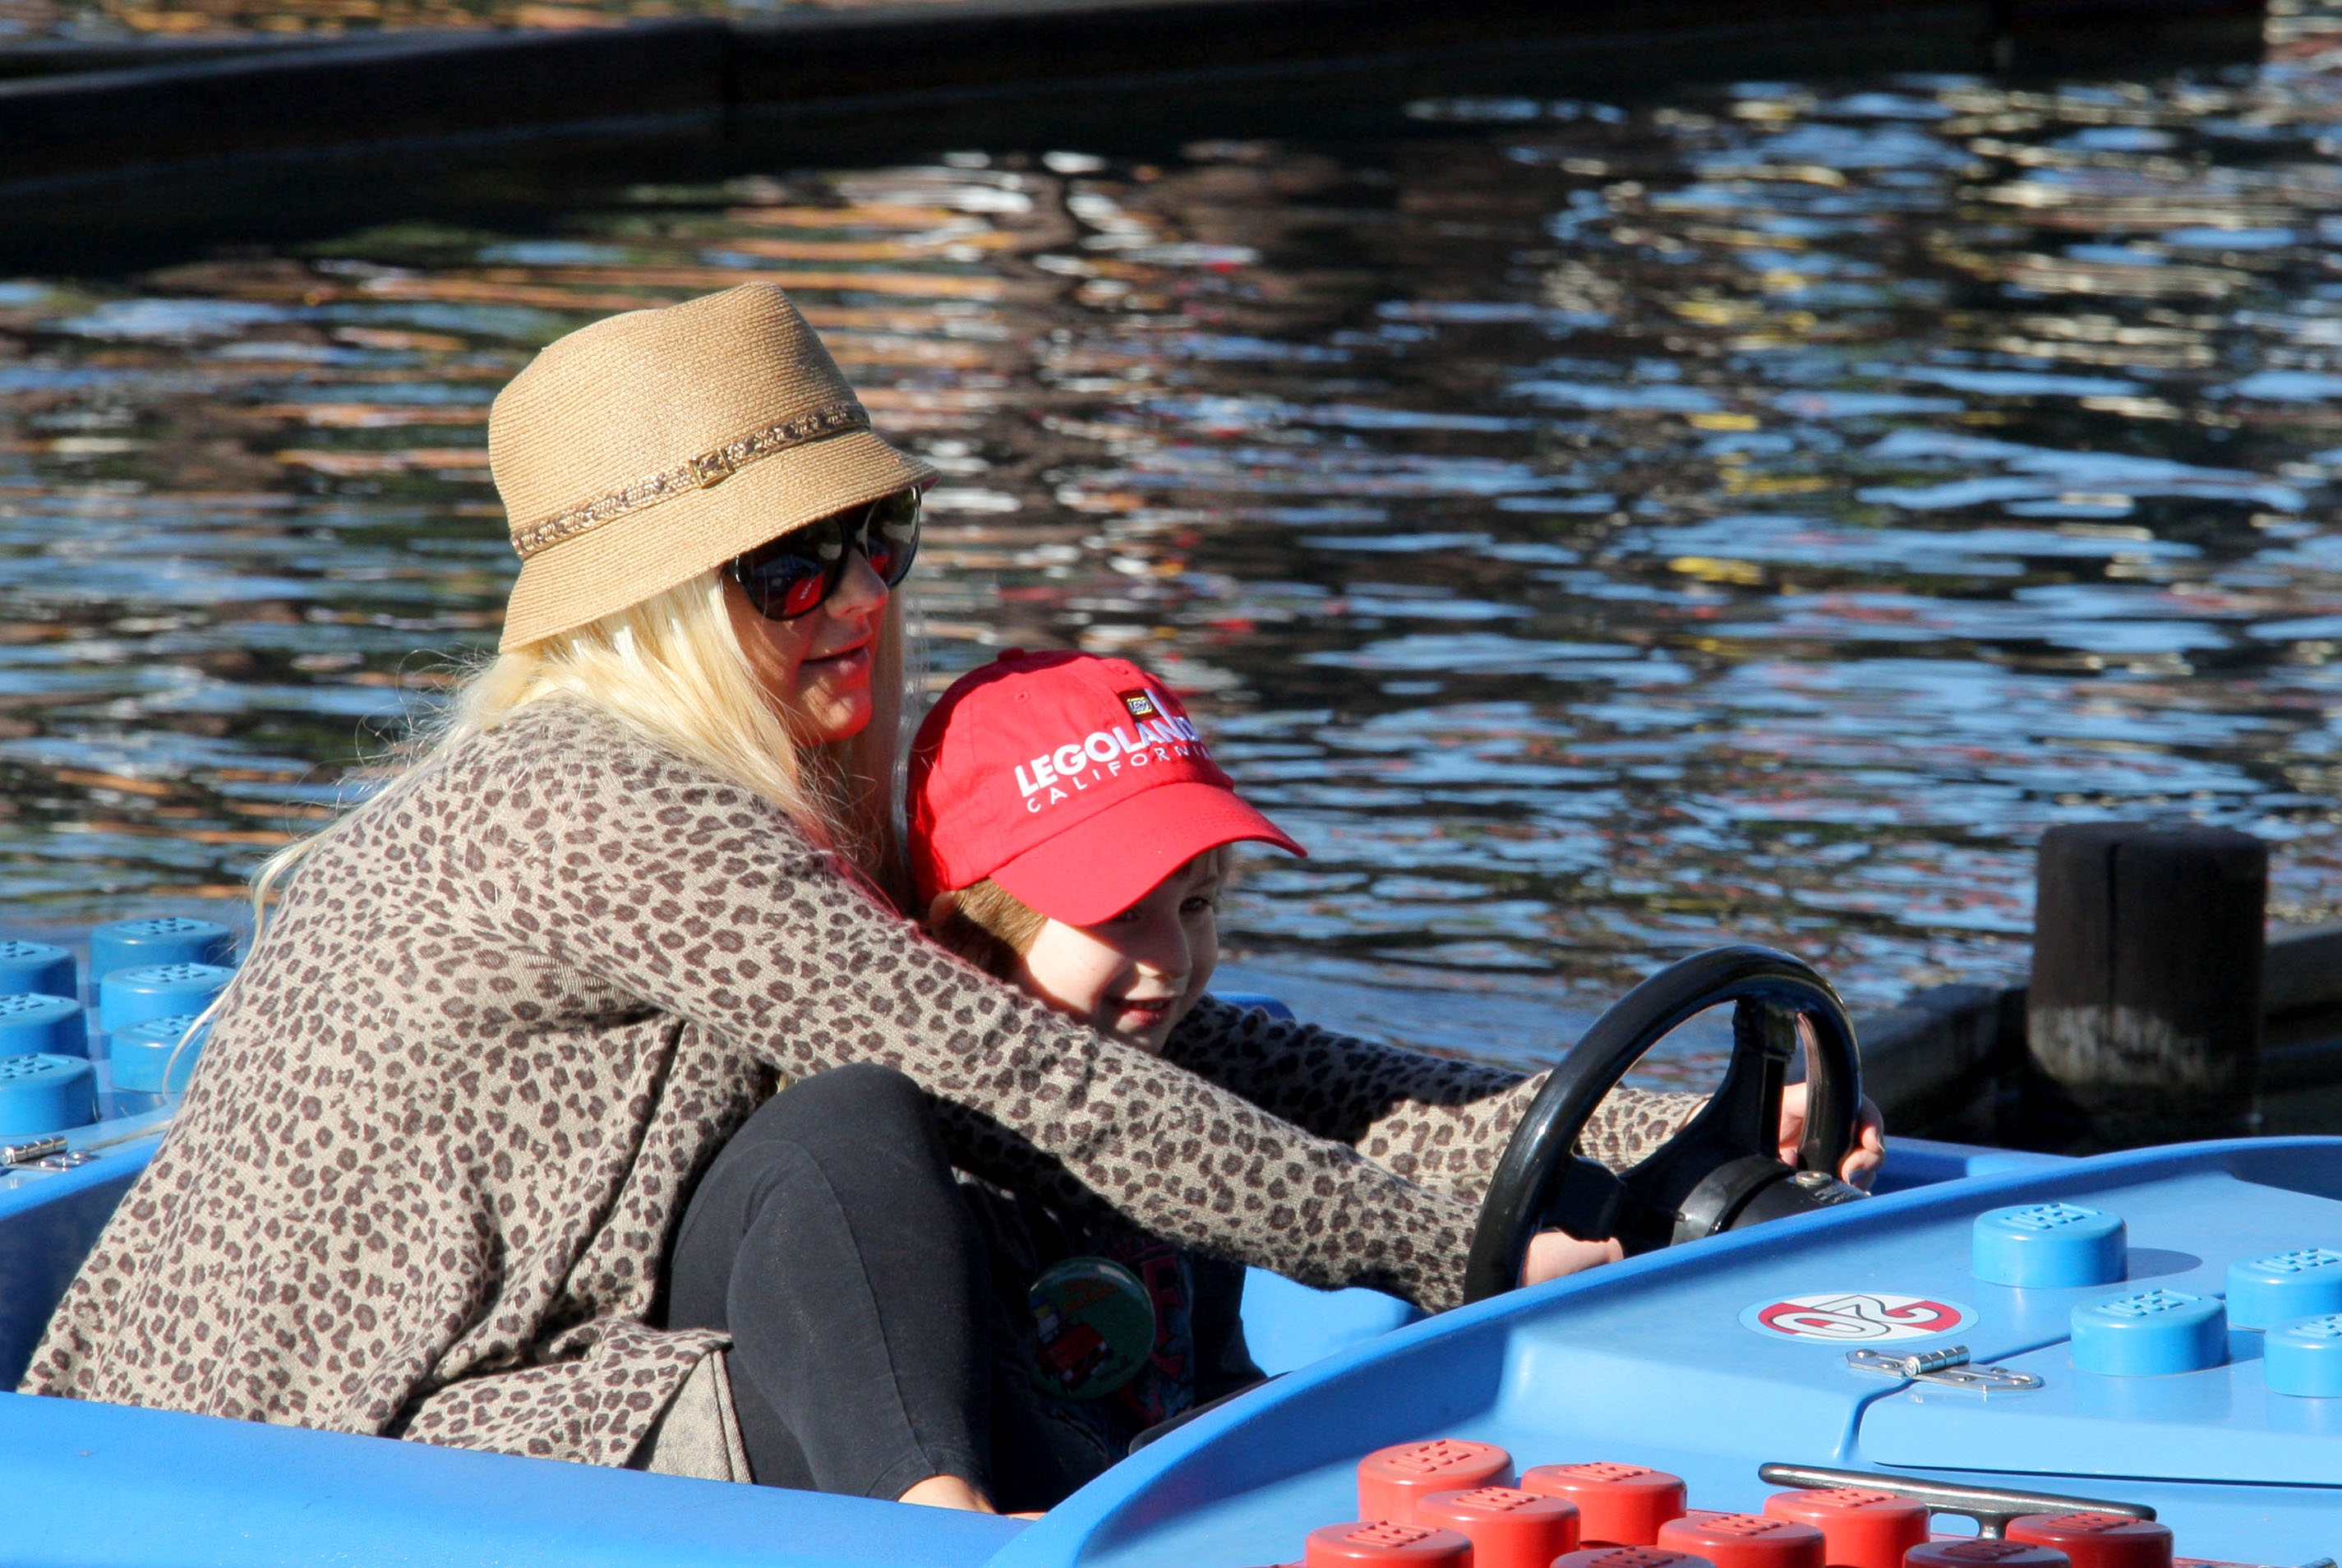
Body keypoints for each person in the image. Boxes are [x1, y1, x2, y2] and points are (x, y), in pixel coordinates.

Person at [19, 284, 1874, 1511]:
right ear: (654, 617)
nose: (855, 601)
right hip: (310, 1462)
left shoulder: (768, 815)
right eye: (786, 570)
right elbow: (1034, 1086)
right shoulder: (599, 811)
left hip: (497, 1390)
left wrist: (1617, 1136)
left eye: (875, 541)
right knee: (871, 1129)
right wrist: (1432, 1252)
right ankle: (955, 1536)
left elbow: (1184, 1043)